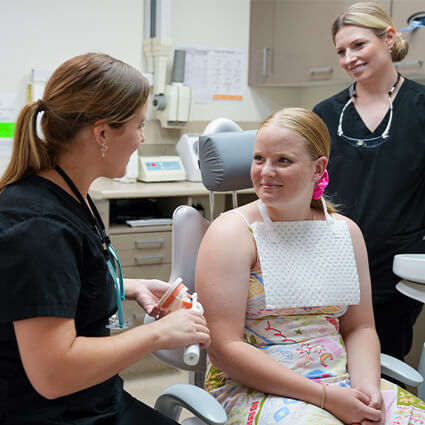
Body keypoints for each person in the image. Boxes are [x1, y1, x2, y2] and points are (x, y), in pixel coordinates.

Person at [0, 52, 210, 425]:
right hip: (58, 413)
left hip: (94, 398)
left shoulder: (68, 194)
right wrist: (159, 334)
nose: (142, 138)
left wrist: (127, 285)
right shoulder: (40, 226)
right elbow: (53, 373)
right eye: (139, 125)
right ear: (101, 133)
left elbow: (58, 283)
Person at [195, 107, 425, 425]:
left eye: (283, 160)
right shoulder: (232, 233)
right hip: (252, 388)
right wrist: (326, 399)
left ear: (318, 169)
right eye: (259, 158)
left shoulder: (344, 232)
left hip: (340, 381)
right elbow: (223, 347)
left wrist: (367, 390)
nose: (265, 171)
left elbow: (360, 327)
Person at [313, 2, 425, 363]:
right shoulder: (325, 114)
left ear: (389, 39)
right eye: (341, 51)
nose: (349, 58)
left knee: (384, 364)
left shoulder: (421, 107)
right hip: (331, 262)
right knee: (324, 363)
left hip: (399, 269)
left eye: (358, 45)